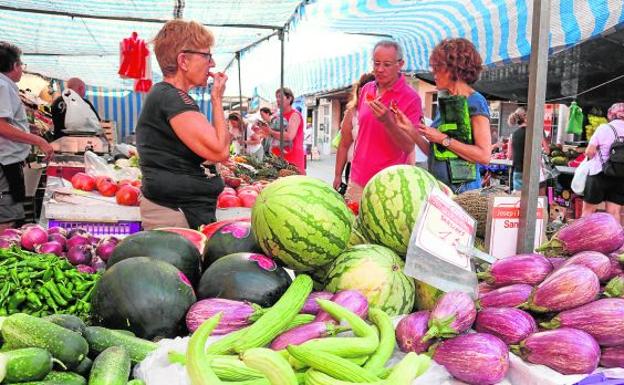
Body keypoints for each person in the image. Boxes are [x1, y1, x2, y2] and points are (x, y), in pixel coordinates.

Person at [135, 20, 230, 230]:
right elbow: (220, 150)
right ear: (184, 61)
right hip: (176, 214)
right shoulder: (172, 98)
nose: (212, 64)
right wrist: (217, 99)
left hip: (180, 210)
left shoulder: (167, 96)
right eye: (207, 55)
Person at [396, 38, 491, 193]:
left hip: (463, 193)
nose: (433, 72)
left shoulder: (475, 101)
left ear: (454, 68)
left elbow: (484, 155)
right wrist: (410, 130)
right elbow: (437, 154)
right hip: (443, 191)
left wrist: (442, 139)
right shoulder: (447, 102)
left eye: (438, 67)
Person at [346, 40, 425, 202]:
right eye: (376, 63)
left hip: (388, 183)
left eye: (387, 64)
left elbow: (408, 146)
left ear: (400, 64)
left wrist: (388, 121)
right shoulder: (367, 89)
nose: (380, 69)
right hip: (358, 179)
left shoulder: (411, 98)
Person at [0, 42, 54, 230]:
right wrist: (38, 140)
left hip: (8, 162)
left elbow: (8, 122)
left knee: (10, 214)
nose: (22, 68)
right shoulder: (2, 86)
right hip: (5, 163)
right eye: (21, 64)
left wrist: (28, 128)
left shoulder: (5, 86)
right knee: (7, 219)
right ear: (14, 66)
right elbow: (1, 127)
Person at [582, 102, 624, 222]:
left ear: (611, 114)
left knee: (588, 211)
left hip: (599, 173)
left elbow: (589, 151)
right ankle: (614, 240)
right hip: (620, 176)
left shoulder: (604, 128)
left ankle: (583, 238)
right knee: (614, 212)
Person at [333, 72, 375, 193]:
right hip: (355, 171)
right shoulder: (352, 113)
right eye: (360, 93)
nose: (362, 99)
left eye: (366, 94)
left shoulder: (385, 112)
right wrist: (337, 175)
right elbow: (344, 145)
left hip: (380, 170)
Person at [260, 88, 305, 173]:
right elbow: (272, 136)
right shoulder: (277, 116)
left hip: (291, 158)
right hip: (277, 158)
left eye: (280, 97)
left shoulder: (294, 115)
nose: (277, 99)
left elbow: (289, 136)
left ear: (289, 98)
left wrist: (270, 132)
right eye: (276, 97)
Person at [507, 107, 528, 191]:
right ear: (525, 117)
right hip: (531, 171)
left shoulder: (513, 135)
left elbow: (509, 155)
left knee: (517, 199)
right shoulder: (533, 132)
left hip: (518, 170)